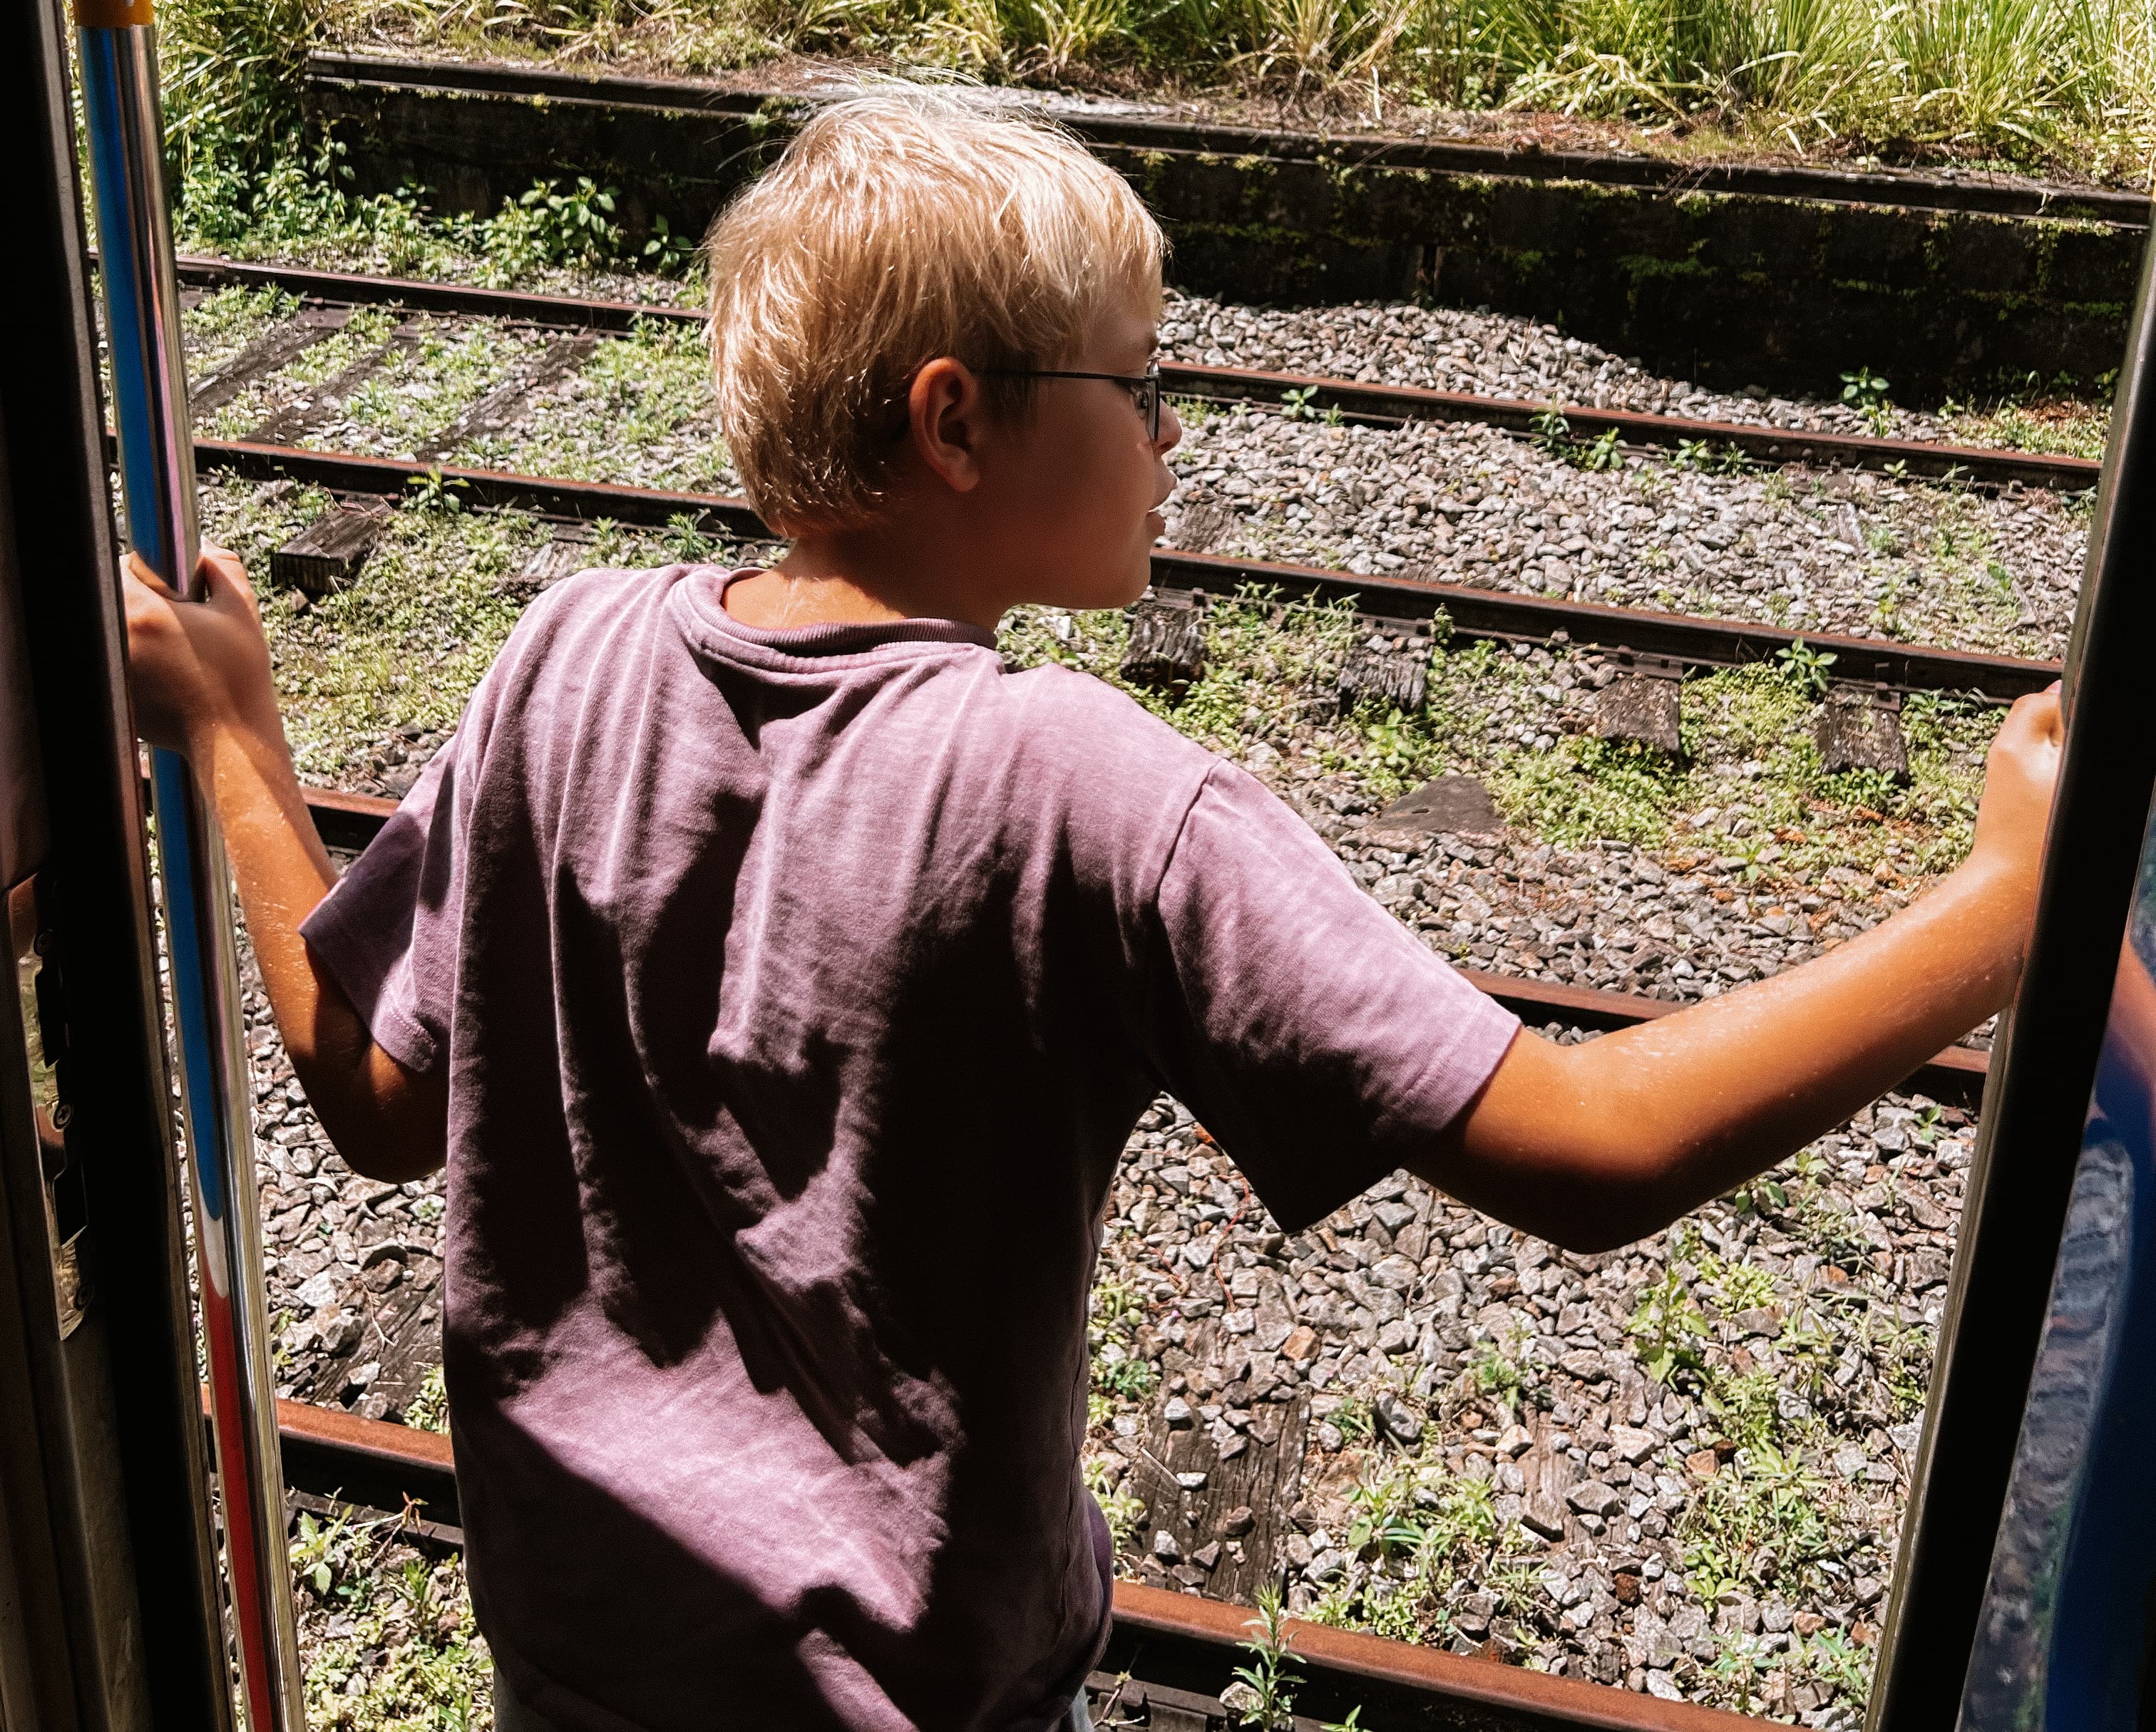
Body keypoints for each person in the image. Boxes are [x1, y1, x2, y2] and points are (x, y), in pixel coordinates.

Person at [123, 95, 2060, 1732]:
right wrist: (2003, 903)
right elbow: (1594, 1144)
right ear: (956, 423)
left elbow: (375, 1101)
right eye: (1145, 380)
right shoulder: (1092, 793)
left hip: (580, 1664)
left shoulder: (567, 656)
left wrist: (232, 736)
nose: (1174, 431)